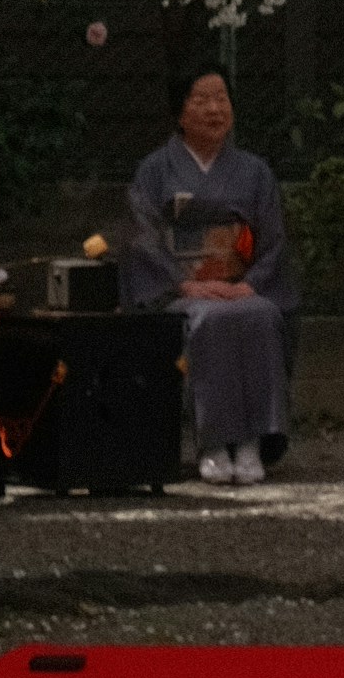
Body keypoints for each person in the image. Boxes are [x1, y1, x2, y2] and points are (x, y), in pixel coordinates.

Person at [124, 62, 295, 485]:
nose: (214, 109)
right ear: (180, 113)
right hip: (183, 288)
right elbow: (142, 238)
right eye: (201, 100)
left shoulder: (255, 172)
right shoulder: (154, 171)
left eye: (222, 99)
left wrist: (252, 284)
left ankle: (253, 441)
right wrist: (185, 283)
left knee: (262, 315)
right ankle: (215, 442)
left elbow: (273, 239)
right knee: (208, 320)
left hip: (240, 285)